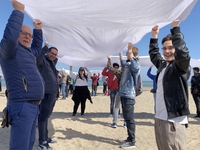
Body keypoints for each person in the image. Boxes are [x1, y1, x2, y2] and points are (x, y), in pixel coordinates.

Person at [0, 1, 44, 150]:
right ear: (16, 32)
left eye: (29, 35)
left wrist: (37, 31)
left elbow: (37, 47)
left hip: (33, 106)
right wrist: (18, 12)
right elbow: (10, 37)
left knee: (29, 144)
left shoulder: (30, 53)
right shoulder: (9, 50)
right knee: (20, 147)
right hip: (21, 105)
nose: (27, 36)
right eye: (23, 32)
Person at [149, 21, 190, 150]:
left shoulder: (180, 67)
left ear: (176, 48)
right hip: (159, 118)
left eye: (171, 47)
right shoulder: (163, 66)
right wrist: (154, 36)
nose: (167, 51)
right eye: (165, 48)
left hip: (173, 120)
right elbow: (154, 55)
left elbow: (183, 54)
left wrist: (176, 30)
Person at [36, 42, 58, 150]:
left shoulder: (52, 63)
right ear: (48, 52)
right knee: (43, 118)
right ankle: (42, 143)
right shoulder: (42, 60)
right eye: (52, 53)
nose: (53, 55)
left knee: (46, 117)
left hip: (53, 93)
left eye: (55, 54)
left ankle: (46, 138)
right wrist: (44, 48)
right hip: (45, 93)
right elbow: (37, 58)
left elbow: (55, 60)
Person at [118, 43, 140, 149]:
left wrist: (130, 50)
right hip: (123, 94)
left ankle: (132, 141)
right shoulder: (127, 64)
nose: (127, 54)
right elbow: (122, 62)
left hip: (129, 95)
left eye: (128, 53)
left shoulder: (135, 64)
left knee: (130, 119)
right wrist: (119, 51)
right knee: (126, 118)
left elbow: (135, 67)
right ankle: (129, 138)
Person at [106, 56, 126, 128]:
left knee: (117, 107)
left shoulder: (119, 72)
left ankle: (115, 123)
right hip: (128, 92)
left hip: (120, 91)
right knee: (125, 107)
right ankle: (125, 123)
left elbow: (109, 67)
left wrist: (109, 60)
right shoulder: (130, 72)